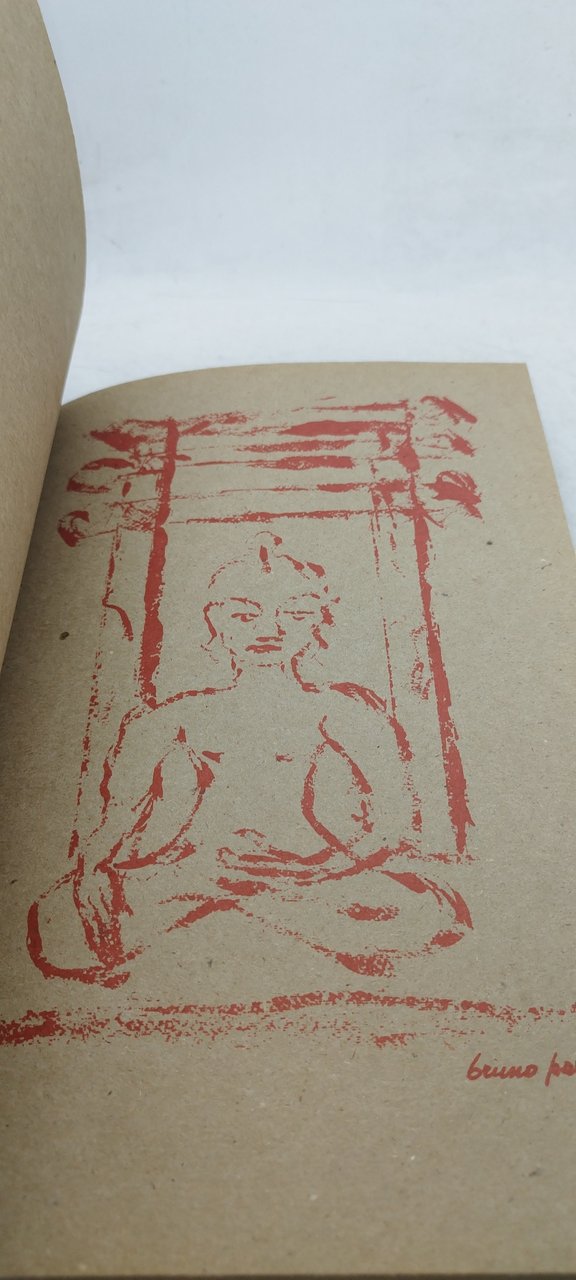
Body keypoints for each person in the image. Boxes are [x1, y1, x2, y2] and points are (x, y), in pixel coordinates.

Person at [29, 532, 471, 985]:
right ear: (216, 623)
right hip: (193, 874)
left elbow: (395, 818)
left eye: (294, 615)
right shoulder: (175, 716)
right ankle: (275, 929)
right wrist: (91, 870)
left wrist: (324, 868)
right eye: (244, 615)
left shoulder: (340, 712)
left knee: (429, 909)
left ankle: (230, 929)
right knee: (55, 919)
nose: (268, 630)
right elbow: (118, 816)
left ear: (315, 624)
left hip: (308, 874)